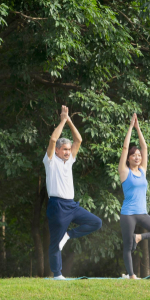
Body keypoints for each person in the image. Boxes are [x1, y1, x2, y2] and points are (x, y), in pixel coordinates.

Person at [44, 105, 102, 280]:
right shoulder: (50, 161)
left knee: (96, 222)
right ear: (58, 151)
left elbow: (79, 140)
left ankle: (69, 235)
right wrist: (61, 121)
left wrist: (69, 120)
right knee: (55, 242)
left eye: (69, 149)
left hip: (72, 205)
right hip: (57, 206)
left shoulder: (69, 161)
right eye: (65, 150)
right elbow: (53, 140)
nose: (68, 152)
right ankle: (57, 275)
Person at [118, 113, 150, 279]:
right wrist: (129, 128)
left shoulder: (142, 171)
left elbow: (145, 147)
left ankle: (139, 237)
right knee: (127, 246)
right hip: (128, 214)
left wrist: (138, 128)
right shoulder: (124, 172)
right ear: (128, 158)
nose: (137, 157)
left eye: (139, 155)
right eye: (134, 155)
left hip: (142, 212)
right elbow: (125, 148)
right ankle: (132, 275)